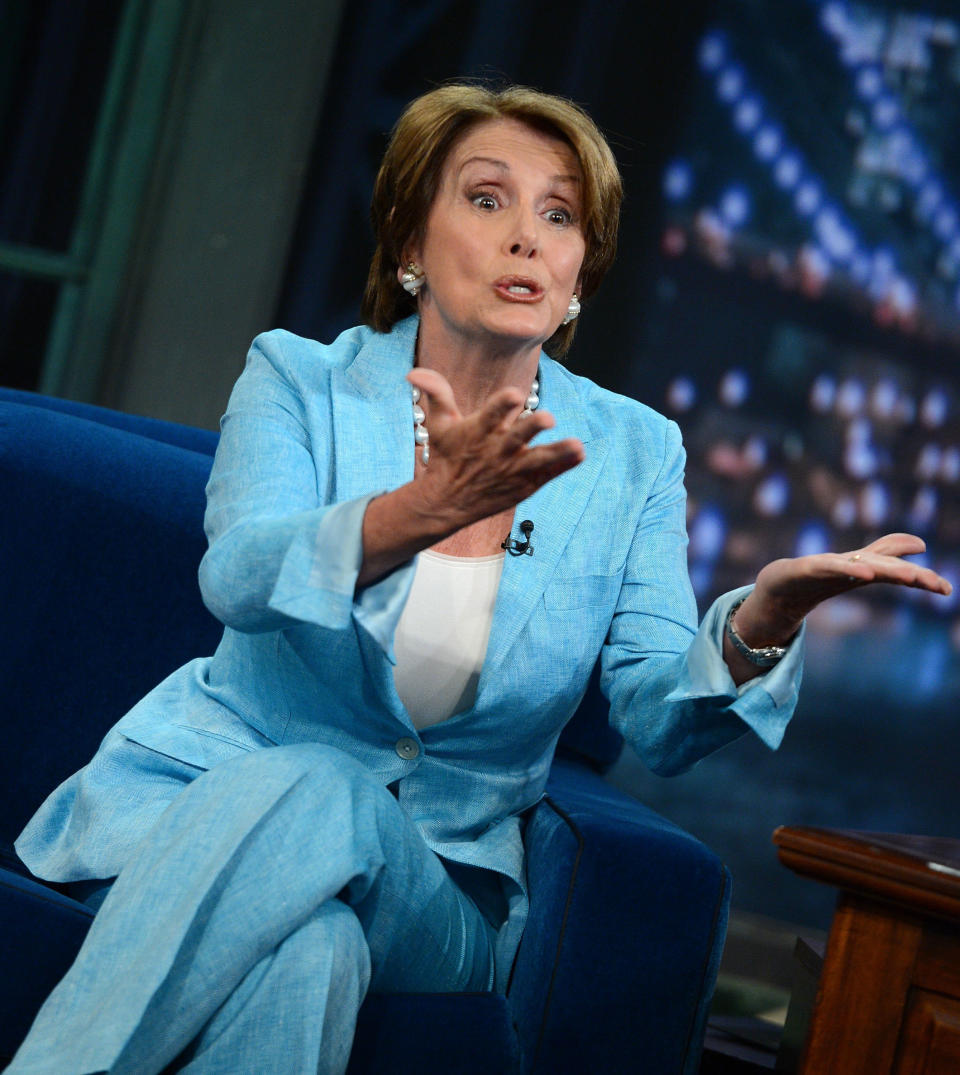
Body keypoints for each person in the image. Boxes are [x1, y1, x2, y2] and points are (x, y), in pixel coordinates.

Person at [9, 83, 951, 1074]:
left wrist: (761, 620)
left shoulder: (632, 453)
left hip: (436, 891)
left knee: (324, 788)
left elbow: (658, 719)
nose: (527, 238)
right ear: (410, 242)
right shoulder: (300, 380)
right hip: (189, 827)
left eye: (560, 215)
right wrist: (426, 509)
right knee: (308, 950)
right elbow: (239, 576)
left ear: (581, 272)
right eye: (489, 198)